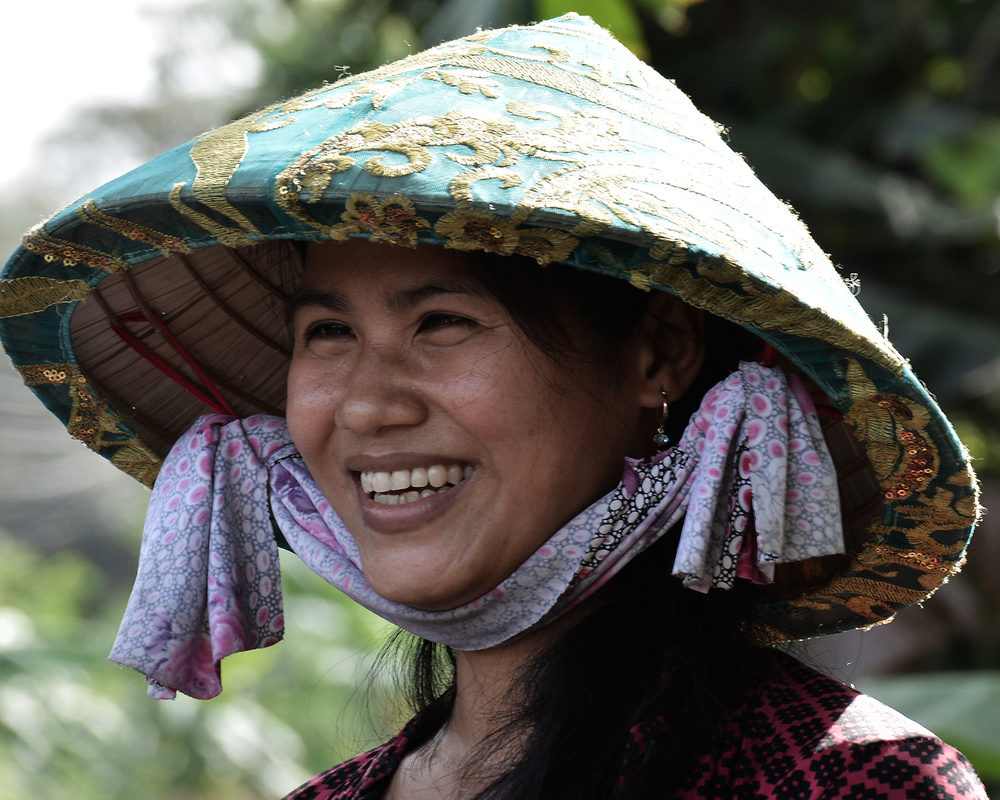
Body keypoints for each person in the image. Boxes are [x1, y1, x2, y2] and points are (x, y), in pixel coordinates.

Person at [0, 13, 987, 799]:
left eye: (441, 321)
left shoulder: (847, 784)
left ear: (659, 355)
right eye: (327, 334)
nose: (369, 407)